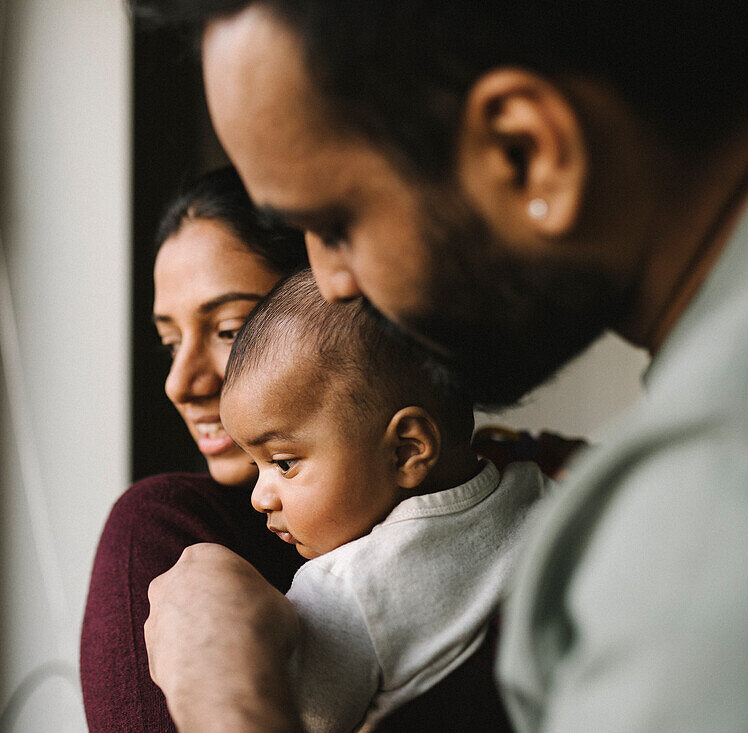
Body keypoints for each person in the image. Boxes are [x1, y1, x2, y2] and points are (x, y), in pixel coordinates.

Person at [129, 2, 748, 732]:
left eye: (337, 226)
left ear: (525, 150)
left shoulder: (705, 509)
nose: (329, 283)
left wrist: (224, 697)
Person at [219, 268, 550, 731]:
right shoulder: (538, 492)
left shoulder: (341, 594)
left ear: (407, 450)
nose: (259, 497)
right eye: (257, 466)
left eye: (284, 463)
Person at [79, 165, 309, 732]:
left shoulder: (518, 501)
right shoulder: (168, 532)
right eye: (170, 343)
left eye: (230, 330)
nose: (179, 384)